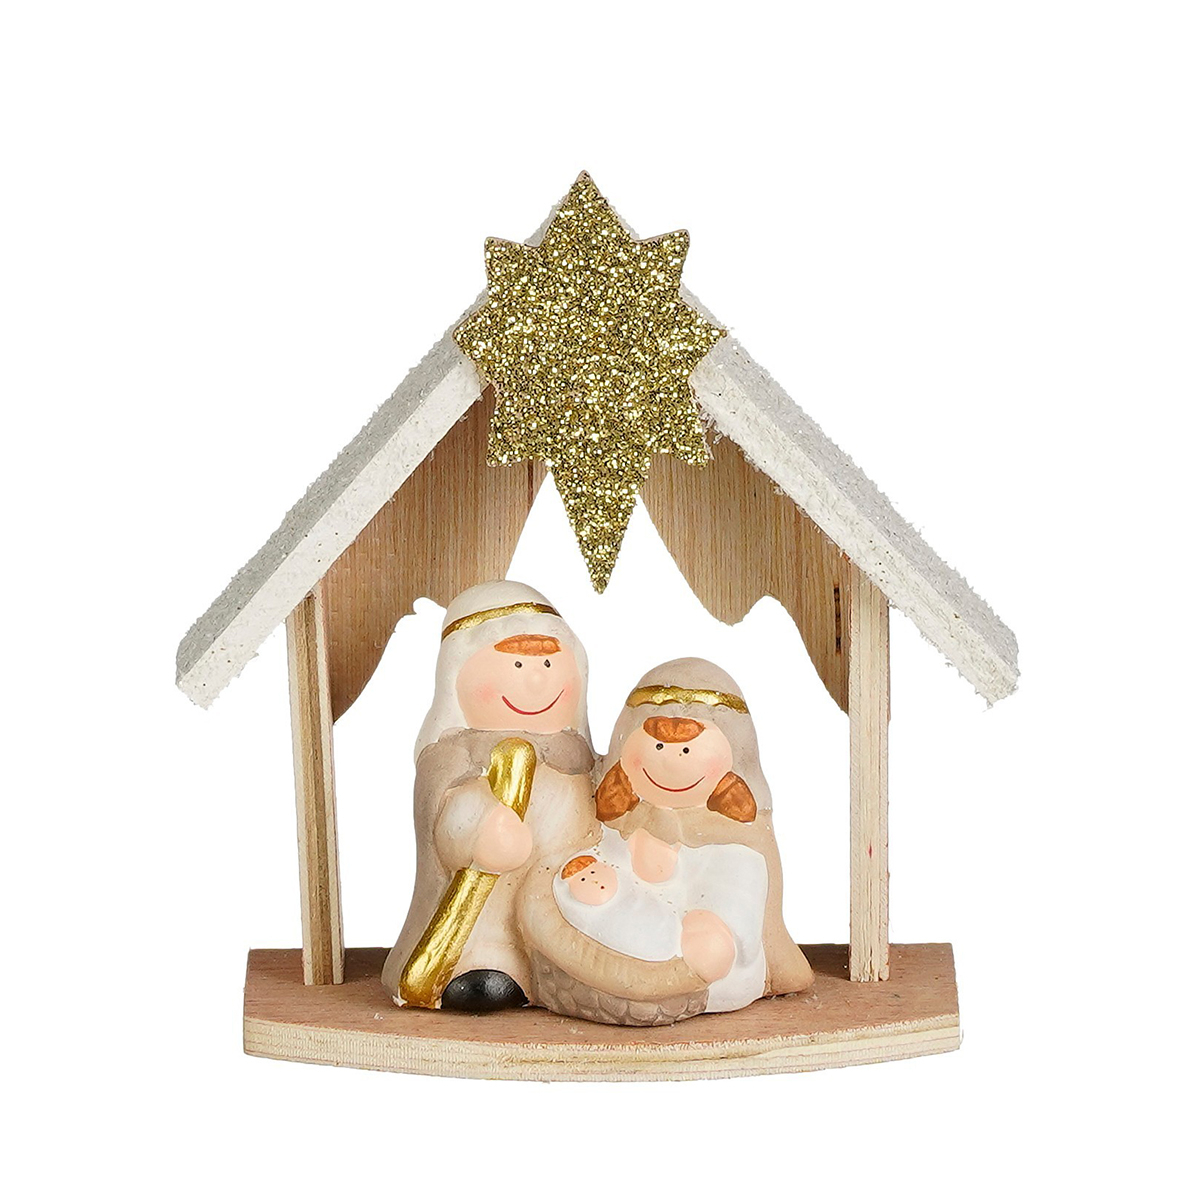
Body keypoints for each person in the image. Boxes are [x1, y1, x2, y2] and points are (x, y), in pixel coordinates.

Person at [520, 658, 813, 1025]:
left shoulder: (737, 844)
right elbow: (593, 850)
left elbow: (741, 894)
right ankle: (609, 978)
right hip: (627, 917)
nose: (672, 760)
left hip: (699, 941)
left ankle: (657, 985)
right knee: (579, 897)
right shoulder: (615, 817)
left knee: (710, 952)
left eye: (687, 749)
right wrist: (608, 870)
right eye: (658, 746)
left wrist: (715, 925)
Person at [381, 581, 598, 1011]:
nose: (537, 679)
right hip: (491, 917)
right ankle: (487, 961)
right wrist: (479, 832)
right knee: (492, 929)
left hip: (567, 902)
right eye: (516, 664)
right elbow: (444, 821)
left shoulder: (578, 756)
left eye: (550, 662)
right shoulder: (456, 758)